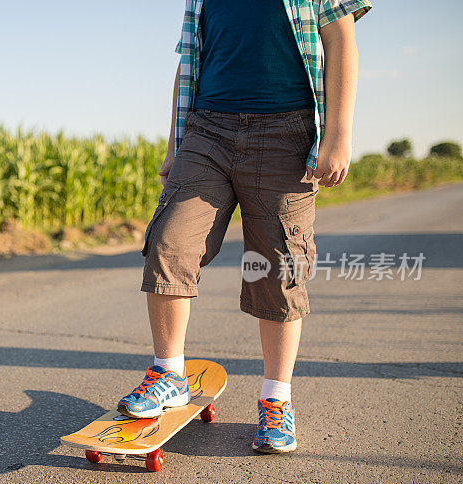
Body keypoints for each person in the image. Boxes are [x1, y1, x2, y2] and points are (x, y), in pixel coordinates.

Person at [117, 0, 372, 453]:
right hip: (206, 131)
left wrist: (338, 134)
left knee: (279, 269)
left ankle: (276, 400)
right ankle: (168, 375)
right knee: (168, 243)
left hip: (285, 133)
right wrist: (176, 143)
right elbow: (189, 59)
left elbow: (342, 40)